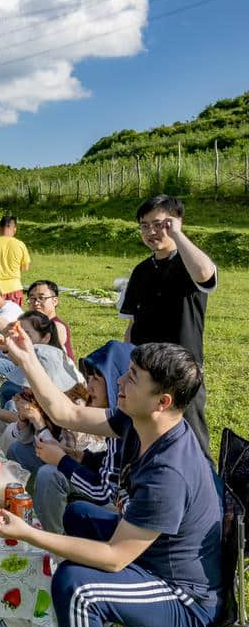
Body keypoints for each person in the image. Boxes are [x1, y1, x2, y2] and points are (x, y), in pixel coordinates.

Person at [0, 333, 223, 627]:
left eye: (133, 378)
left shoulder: (169, 472)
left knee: (77, 586)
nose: (120, 382)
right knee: (79, 513)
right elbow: (64, 412)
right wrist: (26, 357)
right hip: (149, 559)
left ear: (162, 401)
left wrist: (29, 534)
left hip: (183, 594)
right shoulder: (138, 422)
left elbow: (115, 558)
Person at [120, 194, 216, 454]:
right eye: (144, 225)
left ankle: (209, 488)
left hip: (181, 371)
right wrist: (127, 366)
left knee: (192, 439)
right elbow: (132, 326)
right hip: (145, 372)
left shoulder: (189, 263)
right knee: (145, 436)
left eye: (159, 224)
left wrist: (178, 235)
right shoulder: (141, 271)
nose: (151, 231)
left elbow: (206, 274)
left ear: (177, 222)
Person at [30, 340, 134, 536]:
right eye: (89, 378)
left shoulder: (123, 424)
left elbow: (105, 492)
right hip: (110, 494)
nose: (89, 385)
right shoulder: (117, 417)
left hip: (123, 513)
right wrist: (81, 457)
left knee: (50, 474)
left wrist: (62, 460)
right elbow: (110, 463)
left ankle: (53, 547)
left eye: (97, 379)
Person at [26, 280, 75, 361]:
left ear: (54, 301)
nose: (36, 303)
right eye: (32, 298)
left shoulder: (57, 327)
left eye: (41, 298)